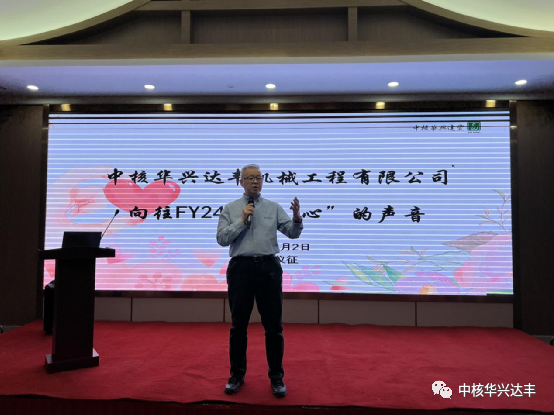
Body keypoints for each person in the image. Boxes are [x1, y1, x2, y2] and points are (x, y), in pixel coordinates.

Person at [216, 164, 303, 398]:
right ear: (241, 182)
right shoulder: (231, 208)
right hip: (241, 269)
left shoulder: (273, 207)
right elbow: (222, 239)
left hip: (268, 268)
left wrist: (296, 219)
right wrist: (242, 219)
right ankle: (236, 376)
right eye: (250, 178)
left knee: (274, 327)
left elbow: (293, 233)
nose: (255, 181)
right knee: (238, 326)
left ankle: (276, 377)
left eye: (259, 178)